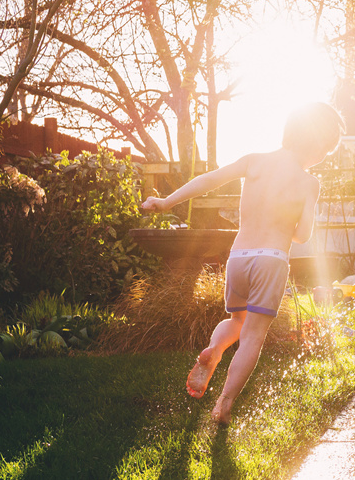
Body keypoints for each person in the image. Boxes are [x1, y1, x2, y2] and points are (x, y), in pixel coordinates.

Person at [141, 102, 343, 425]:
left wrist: (166, 202)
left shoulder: (254, 162)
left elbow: (209, 180)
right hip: (271, 261)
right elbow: (303, 235)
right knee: (252, 336)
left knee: (236, 321)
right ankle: (224, 402)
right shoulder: (309, 183)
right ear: (319, 147)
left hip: (238, 257)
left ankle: (215, 348)